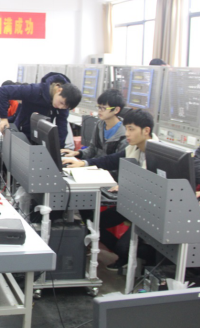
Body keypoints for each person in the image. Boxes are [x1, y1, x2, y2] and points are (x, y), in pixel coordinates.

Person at [63, 109, 159, 271]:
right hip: (130, 202)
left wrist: (130, 185)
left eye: (131, 129)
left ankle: (149, 260)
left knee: (124, 247)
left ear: (146, 131)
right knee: (94, 223)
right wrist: (83, 163)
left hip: (149, 210)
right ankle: (126, 256)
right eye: (126, 128)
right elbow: (111, 160)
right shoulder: (133, 148)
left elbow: (154, 186)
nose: (127, 134)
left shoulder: (159, 154)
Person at [0, 72, 82, 148]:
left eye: (64, 107)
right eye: (61, 103)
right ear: (59, 90)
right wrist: (3, 118)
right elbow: (2, 91)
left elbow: (61, 127)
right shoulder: (35, 90)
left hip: (41, 138)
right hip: (21, 133)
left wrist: (59, 149)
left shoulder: (64, 101)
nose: (60, 107)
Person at [61, 89, 128, 160]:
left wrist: (86, 163)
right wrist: (77, 153)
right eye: (99, 107)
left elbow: (116, 161)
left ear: (116, 110)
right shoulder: (100, 125)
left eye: (104, 108)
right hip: (95, 164)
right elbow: (92, 149)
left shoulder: (124, 133)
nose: (99, 111)